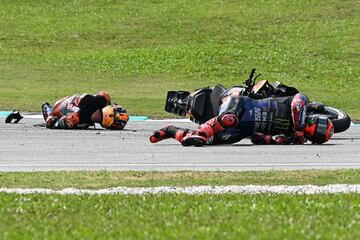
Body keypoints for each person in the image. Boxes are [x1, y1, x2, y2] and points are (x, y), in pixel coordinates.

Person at [150, 93, 334, 146]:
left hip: (241, 131)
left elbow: (258, 138)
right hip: (241, 105)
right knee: (229, 119)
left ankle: (171, 131)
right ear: (313, 119)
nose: (313, 130)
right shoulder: (301, 102)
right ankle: (200, 132)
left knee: (209, 141)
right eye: (317, 126)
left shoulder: (292, 136)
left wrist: (276, 140)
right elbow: (297, 106)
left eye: (315, 134)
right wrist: (300, 129)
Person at [41, 91, 129, 130]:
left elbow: (50, 123)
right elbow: (102, 94)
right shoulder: (102, 99)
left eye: (100, 119)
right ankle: (51, 112)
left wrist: (58, 122)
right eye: (101, 115)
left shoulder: (80, 123)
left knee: (72, 121)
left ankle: (51, 112)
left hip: (63, 114)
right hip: (64, 103)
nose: (98, 118)